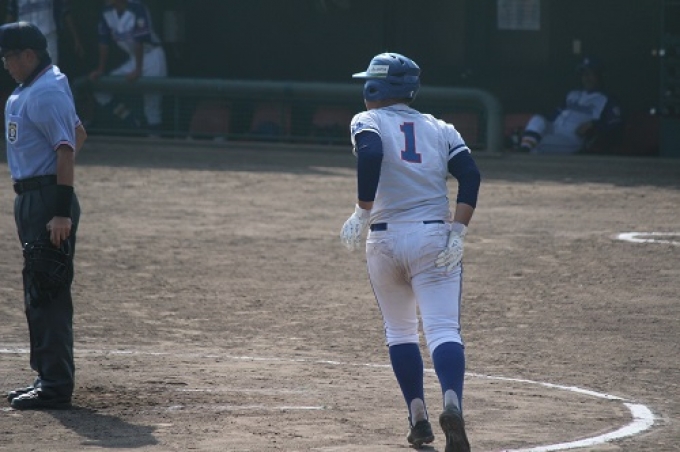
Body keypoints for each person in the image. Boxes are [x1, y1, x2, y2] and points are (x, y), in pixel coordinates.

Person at [340, 52, 480, 452]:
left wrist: (361, 211)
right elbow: (470, 175)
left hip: (384, 240)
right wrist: (458, 232)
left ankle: (418, 418)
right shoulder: (441, 128)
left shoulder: (366, 120)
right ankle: (451, 402)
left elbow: (371, 154)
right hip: (433, 238)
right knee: (443, 330)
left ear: (375, 87)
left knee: (400, 332)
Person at [1, 21, 86, 410]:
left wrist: (60, 209)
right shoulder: (34, 87)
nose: (6, 64)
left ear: (28, 55)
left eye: (9, 56)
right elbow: (78, 133)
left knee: (48, 291)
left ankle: (55, 385)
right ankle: (47, 375)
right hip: (34, 196)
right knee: (39, 289)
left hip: (47, 201)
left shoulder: (46, 91)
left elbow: (67, 148)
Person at [89, 0, 167, 132]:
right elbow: (103, 42)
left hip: (153, 56)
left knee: (152, 107)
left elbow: (139, 40)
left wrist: (138, 69)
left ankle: (155, 140)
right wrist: (101, 69)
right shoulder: (106, 12)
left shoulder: (137, 7)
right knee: (100, 90)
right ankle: (132, 121)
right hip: (134, 58)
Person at [519, 55, 623, 154]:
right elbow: (553, 116)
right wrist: (532, 131)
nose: (586, 77)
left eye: (590, 73)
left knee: (537, 144)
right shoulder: (572, 94)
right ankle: (523, 145)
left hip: (571, 138)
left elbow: (615, 126)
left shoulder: (607, 99)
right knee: (537, 119)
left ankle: (521, 147)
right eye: (583, 74)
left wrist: (595, 125)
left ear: (600, 75)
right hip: (554, 129)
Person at [5, 0, 84, 65]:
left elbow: (65, 12)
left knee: (50, 74)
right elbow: (11, 13)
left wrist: (76, 39)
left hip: (48, 37)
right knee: (29, 75)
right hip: (25, 40)